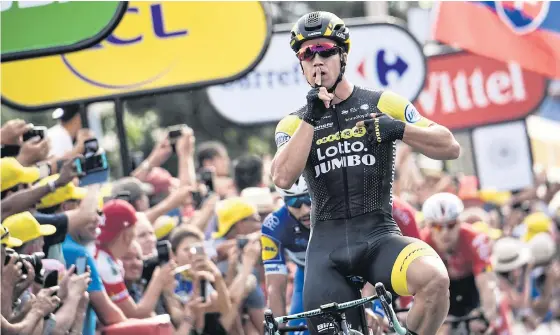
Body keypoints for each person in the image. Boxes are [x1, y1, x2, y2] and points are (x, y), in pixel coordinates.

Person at [270, 11, 460, 335]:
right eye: (307, 54)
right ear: (300, 64)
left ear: (342, 55)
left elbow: (449, 146)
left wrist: (398, 129)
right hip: (326, 252)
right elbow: (282, 178)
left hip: (379, 236)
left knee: (434, 280)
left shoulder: (382, 102)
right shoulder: (293, 123)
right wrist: (311, 120)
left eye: (326, 51)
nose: (317, 61)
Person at [420, 193, 511, 334]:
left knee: (487, 322)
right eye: (437, 227)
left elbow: (486, 283)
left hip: (472, 287)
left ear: (460, 222)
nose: (445, 233)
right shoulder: (420, 242)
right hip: (442, 289)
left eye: (451, 225)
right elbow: (417, 286)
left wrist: (485, 314)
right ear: (428, 226)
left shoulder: (475, 240)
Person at [261, 176, 311, 334]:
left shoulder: (335, 210)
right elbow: (275, 286)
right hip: (306, 274)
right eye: (294, 203)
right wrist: (278, 327)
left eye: (308, 199)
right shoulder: (273, 225)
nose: (305, 210)